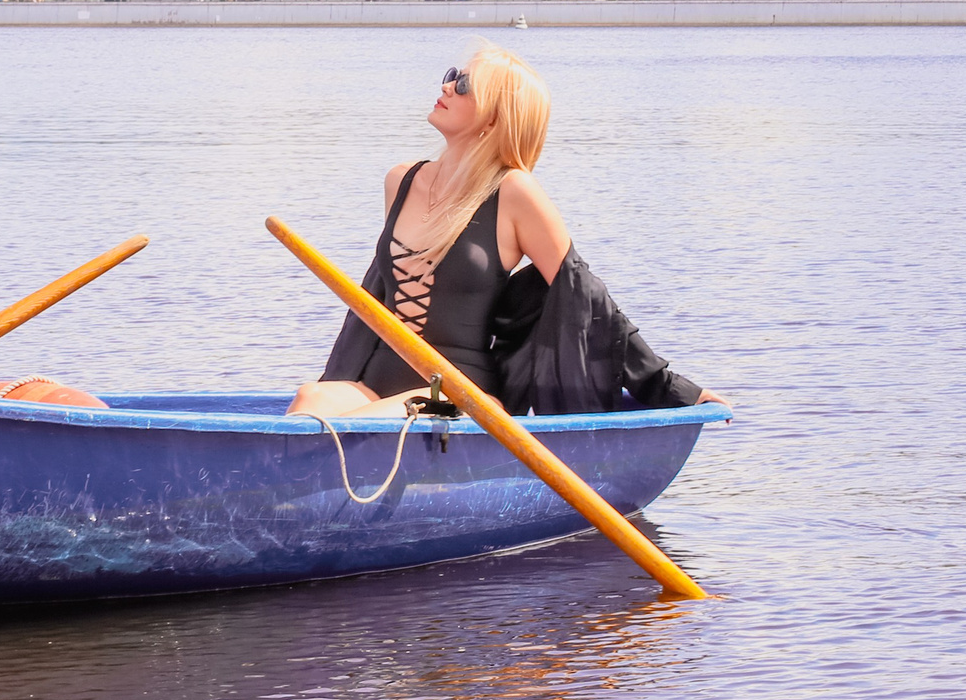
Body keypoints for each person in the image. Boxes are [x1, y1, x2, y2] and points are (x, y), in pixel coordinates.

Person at [287, 46, 710, 420]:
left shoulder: (514, 192)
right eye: (453, 75)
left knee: (370, 423)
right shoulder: (401, 180)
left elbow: (586, 296)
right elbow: (380, 292)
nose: (448, 86)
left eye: (466, 84)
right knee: (310, 400)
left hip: (457, 394)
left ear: (496, 117)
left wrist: (670, 388)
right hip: (375, 379)